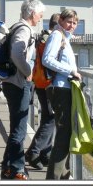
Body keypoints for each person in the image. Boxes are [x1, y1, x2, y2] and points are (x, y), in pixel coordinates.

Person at [0, 0, 45, 181]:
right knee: (19, 129)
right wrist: (28, 72)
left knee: (16, 128)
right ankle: (17, 169)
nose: (41, 17)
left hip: (12, 82)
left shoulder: (16, 26)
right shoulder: (24, 30)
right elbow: (17, 53)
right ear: (33, 13)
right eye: (40, 14)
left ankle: (8, 168)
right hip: (18, 83)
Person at [43, 8, 82, 181]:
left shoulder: (65, 37)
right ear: (60, 21)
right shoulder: (57, 36)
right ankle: (54, 179)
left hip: (64, 89)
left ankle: (63, 175)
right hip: (59, 89)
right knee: (64, 136)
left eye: (75, 23)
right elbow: (47, 59)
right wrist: (71, 71)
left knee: (65, 134)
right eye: (69, 21)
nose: (72, 25)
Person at [25, 13, 59, 169]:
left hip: (39, 82)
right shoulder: (51, 39)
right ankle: (34, 152)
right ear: (58, 24)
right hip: (47, 84)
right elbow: (49, 62)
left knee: (48, 116)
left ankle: (45, 154)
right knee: (51, 118)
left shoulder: (43, 37)